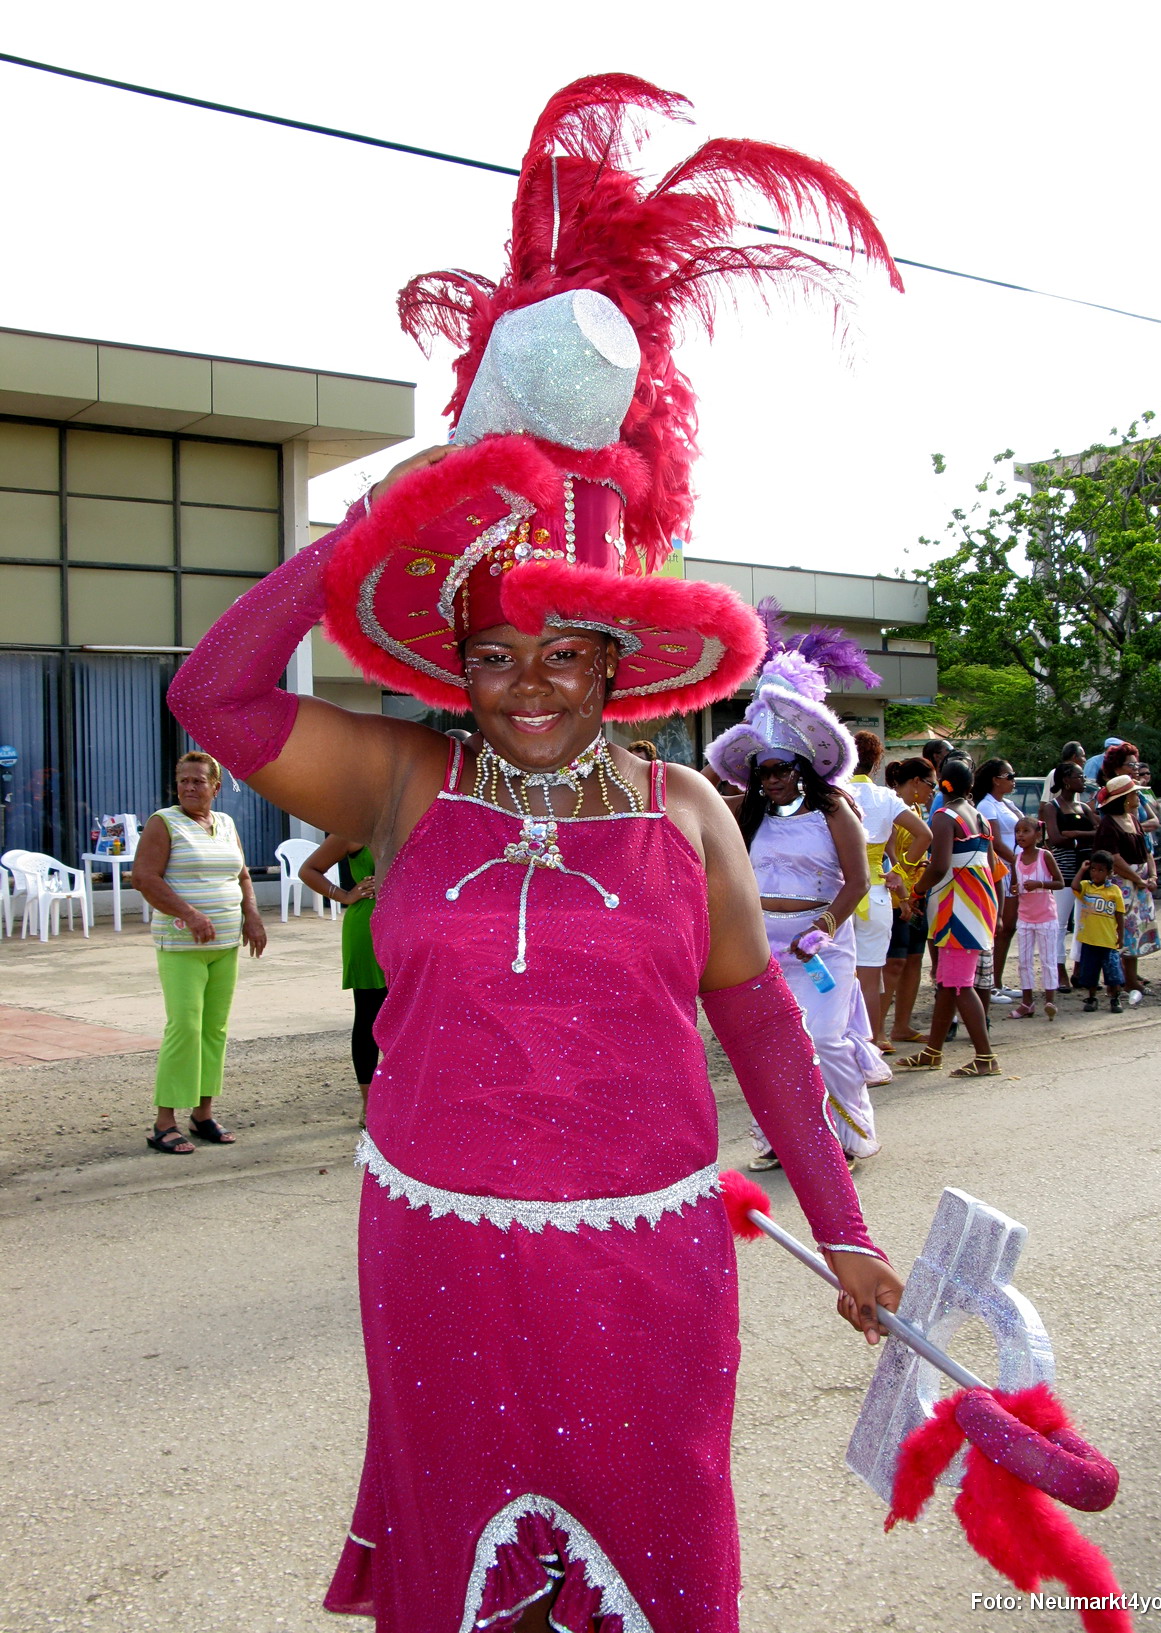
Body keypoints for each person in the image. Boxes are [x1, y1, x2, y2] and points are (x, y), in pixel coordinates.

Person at [166, 74, 903, 1631]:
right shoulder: (404, 783)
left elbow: (760, 1025)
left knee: (656, 1541)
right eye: (493, 656)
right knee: (465, 1558)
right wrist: (382, 521)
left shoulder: (687, 811)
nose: (533, 687)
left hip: (646, 1258)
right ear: (454, 667)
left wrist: (840, 1225)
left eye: (569, 653)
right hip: (435, 1249)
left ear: (623, 659)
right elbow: (213, 695)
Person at [706, 631, 897, 1171]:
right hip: (762, 945)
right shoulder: (749, 812)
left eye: (777, 770)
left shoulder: (836, 810)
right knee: (771, 1047)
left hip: (822, 946)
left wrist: (827, 928)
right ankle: (779, 1137)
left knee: (826, 1042)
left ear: (803, 768)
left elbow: (858, 880)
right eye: (759, 770)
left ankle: (846, 1135)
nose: (766, 781)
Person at [131, 750, 267, 1153]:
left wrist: (253, 916)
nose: (189, 787)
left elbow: (242, 874)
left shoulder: (224, 823)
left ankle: (203, 1113)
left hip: (225, 943)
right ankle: (164, 1121)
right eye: (183, 780)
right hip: (181, 943)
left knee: (214, 1029)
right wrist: (189, 914)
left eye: (198, 781)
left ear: (216, 787)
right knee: (184, 1028)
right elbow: (144, 877)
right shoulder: (164, 823)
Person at [897, 757, 999, 1076]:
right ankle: (932, 1052)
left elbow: (940, 866)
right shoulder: (980, 818)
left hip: (957, 909)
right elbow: (992, 867)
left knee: (958, 985)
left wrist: (916, 892)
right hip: (979, 905)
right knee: (948, 982)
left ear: (943, 783)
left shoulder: (944, 816)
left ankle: (985, 1058)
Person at [848, 731, 931, 1049]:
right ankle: (870, 1047)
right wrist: (899, 872)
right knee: (870, 978)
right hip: (877, 893)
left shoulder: (832, 793)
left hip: (837, 894)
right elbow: (924, 835)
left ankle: (837, 1051)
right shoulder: (885, 798)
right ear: (876, 762)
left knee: (838, 978)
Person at [299, 836, 386, 1124]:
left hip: (410, 928)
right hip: (368, 928)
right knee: (369, 1015)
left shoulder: (411, 818)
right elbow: (308, 869)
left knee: (408, 1020)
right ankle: (369, 1104)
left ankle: (402, 1097)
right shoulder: (354, 828)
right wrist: (343, 895)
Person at [880, 757, 937, 1044]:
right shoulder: (891, 805)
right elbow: (889, 853)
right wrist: (902, 885)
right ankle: (876, 1030)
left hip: (916, 893)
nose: (932, 791)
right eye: (930, 784)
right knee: (893, 962)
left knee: (914, 958)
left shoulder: (915, 809)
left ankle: (901, 1025)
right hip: (894, 895)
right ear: (915, 782)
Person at [1094, 775, 1159, 1004]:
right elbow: (1114, 858)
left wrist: (1151, 875)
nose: (1137, 797)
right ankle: (1117, 981)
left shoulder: (1133, 819)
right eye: (1134, 793)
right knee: (1119, 935)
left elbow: (1147, 850)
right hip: (1122, 886)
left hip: (1139, 882)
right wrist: (1137, 879)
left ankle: (1131, 979)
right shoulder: (1109, 824)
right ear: (1123, 798)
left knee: (1135, 935)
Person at [1038, 761, 1097, 990]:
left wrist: (1075, 834)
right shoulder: (1053, 807)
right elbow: (1054, 837)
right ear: (1065, 780)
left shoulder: (1084, 807)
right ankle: (1059, 969)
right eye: (1079, 776)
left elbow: (1099, 831)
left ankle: (1080, 968)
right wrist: (1081, 838)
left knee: (1084, 921)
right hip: (1064, 869)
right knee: (1060, 923)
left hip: (1085, 870)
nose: (1083, 780)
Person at [972, 758, 1024, 997]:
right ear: (996, 780)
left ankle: (998, 981)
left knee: (1009, 927)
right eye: (1009, 776)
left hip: (1015, 867)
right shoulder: (987, 806)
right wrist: (1019, 863)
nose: (1013, 781)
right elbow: (996, 843)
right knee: (1000, 925)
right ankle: (988, 983)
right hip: (1003, 868)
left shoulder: (1007, 804)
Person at [1008, 815, 1062, 1020]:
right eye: (1017, 831)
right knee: (1024, 961)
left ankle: (1050, 1000)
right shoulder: (1017, 859)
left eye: (1025, 831)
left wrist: (1040, 884)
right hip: (1025, 917)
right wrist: (1015, 889)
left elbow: (1059, 882)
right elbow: (1015, 886)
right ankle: (1027, 1002)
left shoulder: (1044, 856)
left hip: (1046, 917)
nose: (1020, 835)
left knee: (1048, 960)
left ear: (1037, 835)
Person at [1071, 851, 1126, 1013]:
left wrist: (1121, 936)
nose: (1096, 873)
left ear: (1109, 872)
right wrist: (1082, 869)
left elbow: (1120, 914)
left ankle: (1115, 999)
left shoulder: (1114, 891)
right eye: (1093, 869)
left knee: (1112, 972)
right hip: (1089, 940)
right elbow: (1074, 886)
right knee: (1090, 972)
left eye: (1101, 870)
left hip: (1108, 940)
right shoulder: (1086, 887)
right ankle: (1092, 997)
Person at [1039, 740, 1086, 805]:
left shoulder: (1076, 778)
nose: (1085, 760)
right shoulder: (1055, 774)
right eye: (1083, 756)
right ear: (1074, 757)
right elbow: (1044, 805)